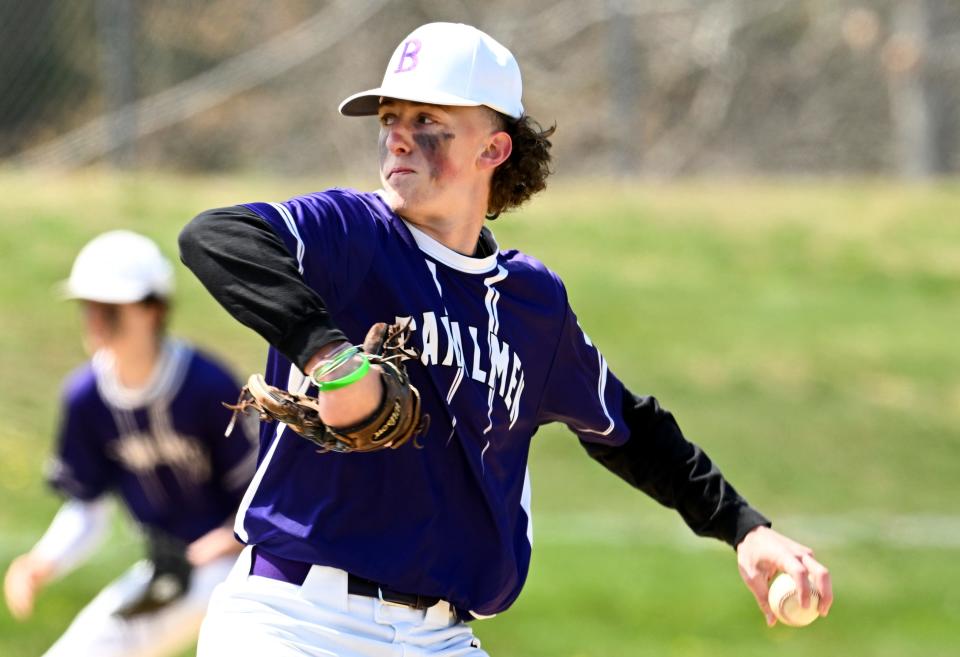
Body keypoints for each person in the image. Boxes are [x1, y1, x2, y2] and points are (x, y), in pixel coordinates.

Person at [178, 22, 834, 657]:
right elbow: (217, 236)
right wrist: (334, 359)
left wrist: (743, 527)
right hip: (294, 621)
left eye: (428, 122)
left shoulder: (529, 303)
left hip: (439, 636)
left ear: (493, 149)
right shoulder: (349, 233)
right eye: (389, 120)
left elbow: (629, 427)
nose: (399, 139)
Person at [3, 230, 257, 657]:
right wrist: (42, 561)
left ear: (152, 310)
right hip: (168, 568)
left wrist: (210, 549)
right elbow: (88, 506)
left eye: (109, 307)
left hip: (241, 561)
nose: (94, 319)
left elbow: (263, 496)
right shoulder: (85, 397)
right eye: (88, 307)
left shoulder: (205, 384)